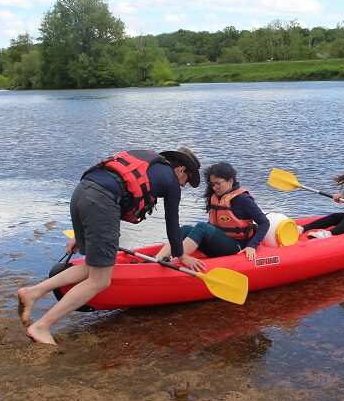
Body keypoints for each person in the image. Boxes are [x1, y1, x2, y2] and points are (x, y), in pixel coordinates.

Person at [17, 147, 205, 345]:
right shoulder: (172, 181)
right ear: (181, 170)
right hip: (99, 205)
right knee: (100, 280)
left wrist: (84, 232)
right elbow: (172, 223)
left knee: (92, 265)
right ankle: (42, 326)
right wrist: (181, 255)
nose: (182, 186)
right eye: (186, 182)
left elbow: (117, 187)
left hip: (82, 194)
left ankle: (33, 292)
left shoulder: (147, 160)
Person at [155, 161, 270, 262]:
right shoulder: (216, 197)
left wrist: (252, 246)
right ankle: (156, 259)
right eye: (212, 184)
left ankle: (173, 261)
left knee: (201, 227)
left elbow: (265, 222)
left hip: (236, 247)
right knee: (186, 228)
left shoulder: (243, 199)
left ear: (230, 181)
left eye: (218, 183)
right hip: (218, 245)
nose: (214, 188)